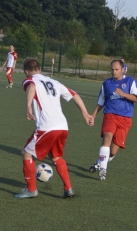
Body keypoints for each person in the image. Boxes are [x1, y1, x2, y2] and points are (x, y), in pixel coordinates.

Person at [15, 58, 94, 199]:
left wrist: (28, 107)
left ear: (26, 72)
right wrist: (85, 114)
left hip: (47, 127)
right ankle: (68, 189)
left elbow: (31, 86)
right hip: (63, 126)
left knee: (26, 154)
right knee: (56, 157)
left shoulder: (30, 80)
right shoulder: (54, 82)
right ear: (39, 69)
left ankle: (31, 190)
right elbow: (74, 94)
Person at [89, 59, 137, 181]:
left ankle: (98, 163)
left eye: (117, 69)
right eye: (112, 70)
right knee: (107, 139)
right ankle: (103, 170)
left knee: (112, 151)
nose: (114, 72)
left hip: (125, 119)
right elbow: (101, 101)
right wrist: (93, 115)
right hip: (110, 116)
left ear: (123, 69)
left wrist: (123, 94)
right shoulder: (106, 84)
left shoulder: (130, 81)